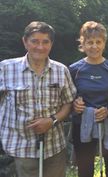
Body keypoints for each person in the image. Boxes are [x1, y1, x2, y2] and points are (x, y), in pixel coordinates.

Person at [0, 21, 77, 177]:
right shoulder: (5, 68)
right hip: (20, 144)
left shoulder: (61, 70)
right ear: (25, 42)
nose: (40, 47)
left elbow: (68, 103)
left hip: (54, 145)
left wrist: (52, 120)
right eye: (35, 41)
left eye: (45, 42)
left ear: (51, 44)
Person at [69, 21, 108, 177]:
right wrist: (74, 105)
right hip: (82, 123)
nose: (94, 46)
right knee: (85, 171)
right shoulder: (74, 69)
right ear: (83, 44)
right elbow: (66, 100)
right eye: (90, 42)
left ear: (104, 44)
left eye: (98, 42)